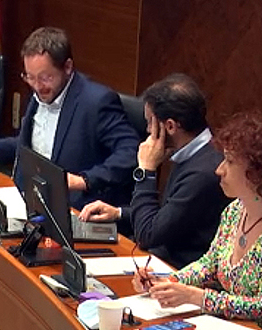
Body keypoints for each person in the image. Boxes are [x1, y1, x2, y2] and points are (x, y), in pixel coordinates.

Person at [135, 114, 262, 330]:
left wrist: (196, 297)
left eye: (229, 162)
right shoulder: (235, 210)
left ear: (258, 173)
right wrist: (168, 282)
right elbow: (210, 265)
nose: (219, 169)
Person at [0, 26, 139, 209]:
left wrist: (85, 180)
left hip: (76, 208)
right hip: (33, 199)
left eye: (45, 77)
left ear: (67, 67)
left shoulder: (97, 102)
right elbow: (42, 143)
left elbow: (131, 152)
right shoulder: (40, 93)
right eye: (30, 77)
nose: (37, 86)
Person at [79, 73, 231, 267]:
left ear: (170, 126)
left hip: (176, 271)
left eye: (150, 122)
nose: (149, 131)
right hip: (158, 259)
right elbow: (167, 216)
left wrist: (146, 170)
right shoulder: (196, 153)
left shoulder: (203, 173)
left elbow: (148, 234)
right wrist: (118, 213)